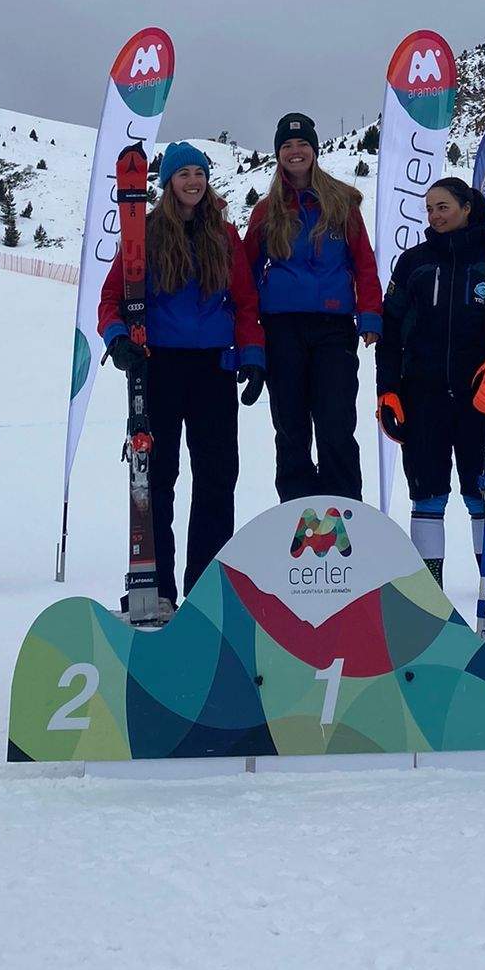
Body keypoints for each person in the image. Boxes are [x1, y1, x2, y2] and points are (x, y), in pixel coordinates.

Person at [98, 142, 265, 614]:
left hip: (214, 366)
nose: (193, 181)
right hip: (160, 365)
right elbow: (111, 299)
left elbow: (246, 303)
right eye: (183, 173)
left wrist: (252, 356)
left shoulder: (225, 236)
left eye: (200, 172)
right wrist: (117, 338)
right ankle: (157, 583)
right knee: (158, 477)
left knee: (217, 477)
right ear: (168, 181)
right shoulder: (145, 234)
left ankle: (207, 583)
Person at [375, 177, 485, 588]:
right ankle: (430, 596)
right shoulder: (413, 263)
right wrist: (388, 390)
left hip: (479, 400)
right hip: (423, 398)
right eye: (429, 208)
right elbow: (390, 331)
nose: (434, 215)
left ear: (467, 208)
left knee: (480, 495)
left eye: (443, 206)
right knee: (427, 495)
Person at [243, 113, 381, 502]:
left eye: (302, 143)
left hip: (333, 327)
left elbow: (363, 262)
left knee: (336, 422)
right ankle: (298, 512)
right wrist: (246, 332)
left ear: (315, 150)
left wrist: (370, 313)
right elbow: (244, 274)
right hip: (281, 327)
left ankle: (343, 511)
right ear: (278, 155)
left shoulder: (341, 204)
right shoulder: (266, 211)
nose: (295, 151)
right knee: (290, 424)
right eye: (286, 145)